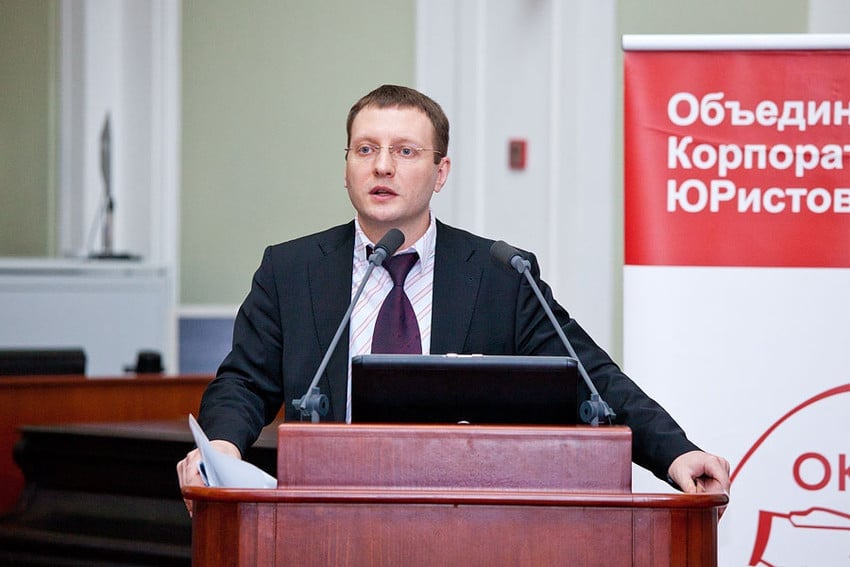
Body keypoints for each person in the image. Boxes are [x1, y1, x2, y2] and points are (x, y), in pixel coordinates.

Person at [177, 84, 730, 512]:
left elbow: (592, 377)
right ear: (346, 168)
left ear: (441, 172)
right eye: (366, 149)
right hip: (324, 517)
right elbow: (245, 382)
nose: (382, 166)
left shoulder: (500, 275)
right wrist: (221, 448)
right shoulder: (291, 269)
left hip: (461, 516)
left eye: (405, 151)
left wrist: (676, 452)